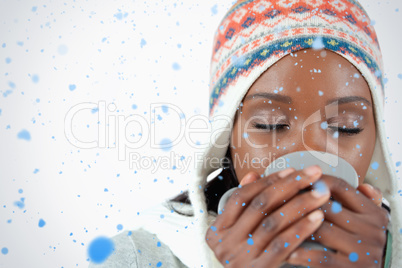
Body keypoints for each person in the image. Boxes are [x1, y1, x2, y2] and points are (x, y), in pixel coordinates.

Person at [89, 0, 402, 267]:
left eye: (345, 126)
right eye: (269, 124)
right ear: (226, 139)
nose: (311, 158)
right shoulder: (134, 257)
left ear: (376, 143)